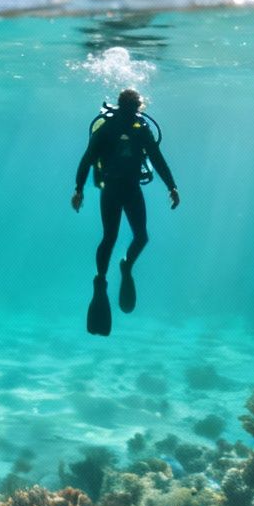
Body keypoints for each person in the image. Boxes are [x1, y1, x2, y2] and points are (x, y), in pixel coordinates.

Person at [72, 89, 178, 335]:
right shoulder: (119, 129)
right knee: (119, 237)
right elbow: (87, 159)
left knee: (130, 237)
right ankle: (108, 276)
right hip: (118, 189)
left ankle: (117, 271)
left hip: (122, 189)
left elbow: (157, 159)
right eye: (132, 110)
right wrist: (78, 190)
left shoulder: (133, 129)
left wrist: (172, 186)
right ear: (132, 107)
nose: (133, 114)